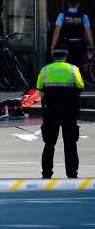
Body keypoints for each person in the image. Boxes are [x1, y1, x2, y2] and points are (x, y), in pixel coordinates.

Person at [37, 48, 84, 179]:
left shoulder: (45, 70)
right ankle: (72, 173)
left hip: (51, 111)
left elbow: (39, 86)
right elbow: (80, 85)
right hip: (69, 111)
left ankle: (46, 173)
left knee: (49, 144)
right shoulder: (73, 69)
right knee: (70, 143)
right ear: (66, 57)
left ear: (53, 56)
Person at [50, 0, 95, 69]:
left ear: (68, 4)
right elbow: (89, 33)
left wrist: (53, 46)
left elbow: (56, 32)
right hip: (79, 46)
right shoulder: (84, 17)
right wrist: (92, 46)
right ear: (78, 4)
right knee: (78, 66)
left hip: (66, 45)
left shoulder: (62, 15)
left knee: (66, 66)